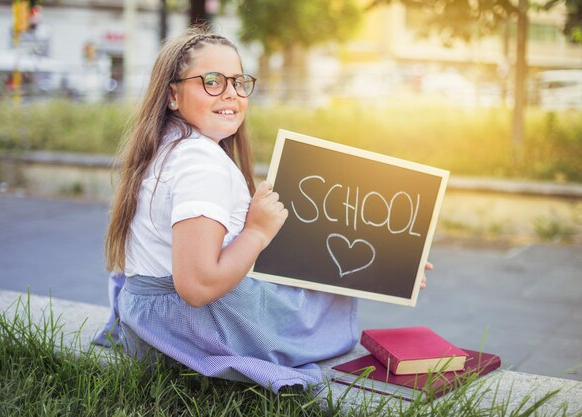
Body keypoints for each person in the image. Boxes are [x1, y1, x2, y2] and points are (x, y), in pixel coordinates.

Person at [100, 28, 431, 392]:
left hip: (153, 322)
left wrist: (389, 261)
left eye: (239, 82)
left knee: (304, 276)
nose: (231, 93)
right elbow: (196, 285)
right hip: (190, 328)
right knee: (319, 305)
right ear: (172, 95)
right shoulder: (201, 164)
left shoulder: (172, 144)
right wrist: (257, 231)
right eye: (212, 81)